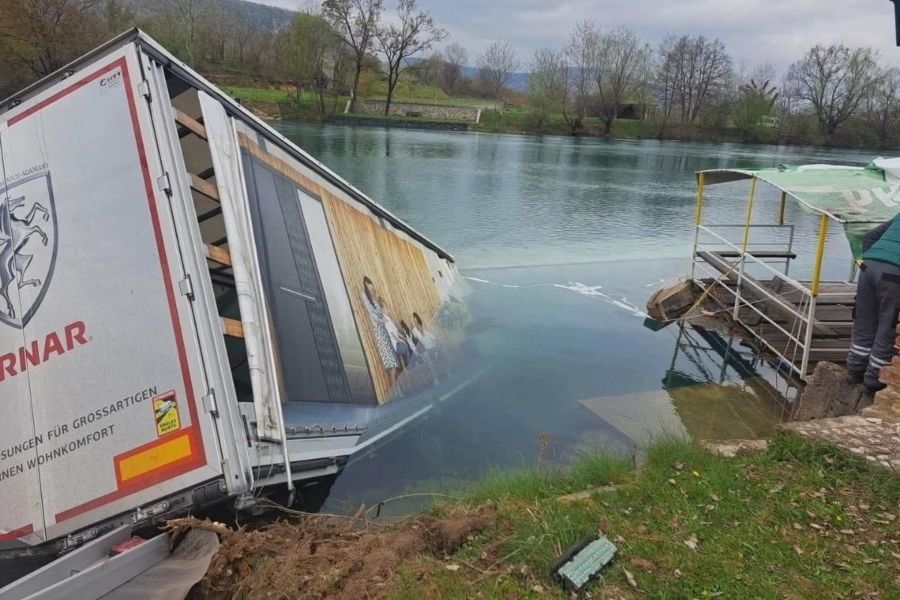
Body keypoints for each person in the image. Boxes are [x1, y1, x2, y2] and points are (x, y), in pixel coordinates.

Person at [846, 212, 900, 393]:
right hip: (894, 274)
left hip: (869, 266)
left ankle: (854, 370)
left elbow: (870, 235)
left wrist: (866, 263)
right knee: (888, 326)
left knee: (865, 321)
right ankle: (872, 382)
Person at [361, 277, 401, 387]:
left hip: (385, 331)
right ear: (366, 286)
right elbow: (370, 312)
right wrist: (380, 319)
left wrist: (385, 318)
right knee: (392, 364)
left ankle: (396, 390)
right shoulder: (364, 296)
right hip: (379, 331)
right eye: (370, 288)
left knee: (394, 363)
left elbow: (383, 314)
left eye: (373, 288)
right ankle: (395, 391)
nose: (372, 290)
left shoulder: (375, 301)